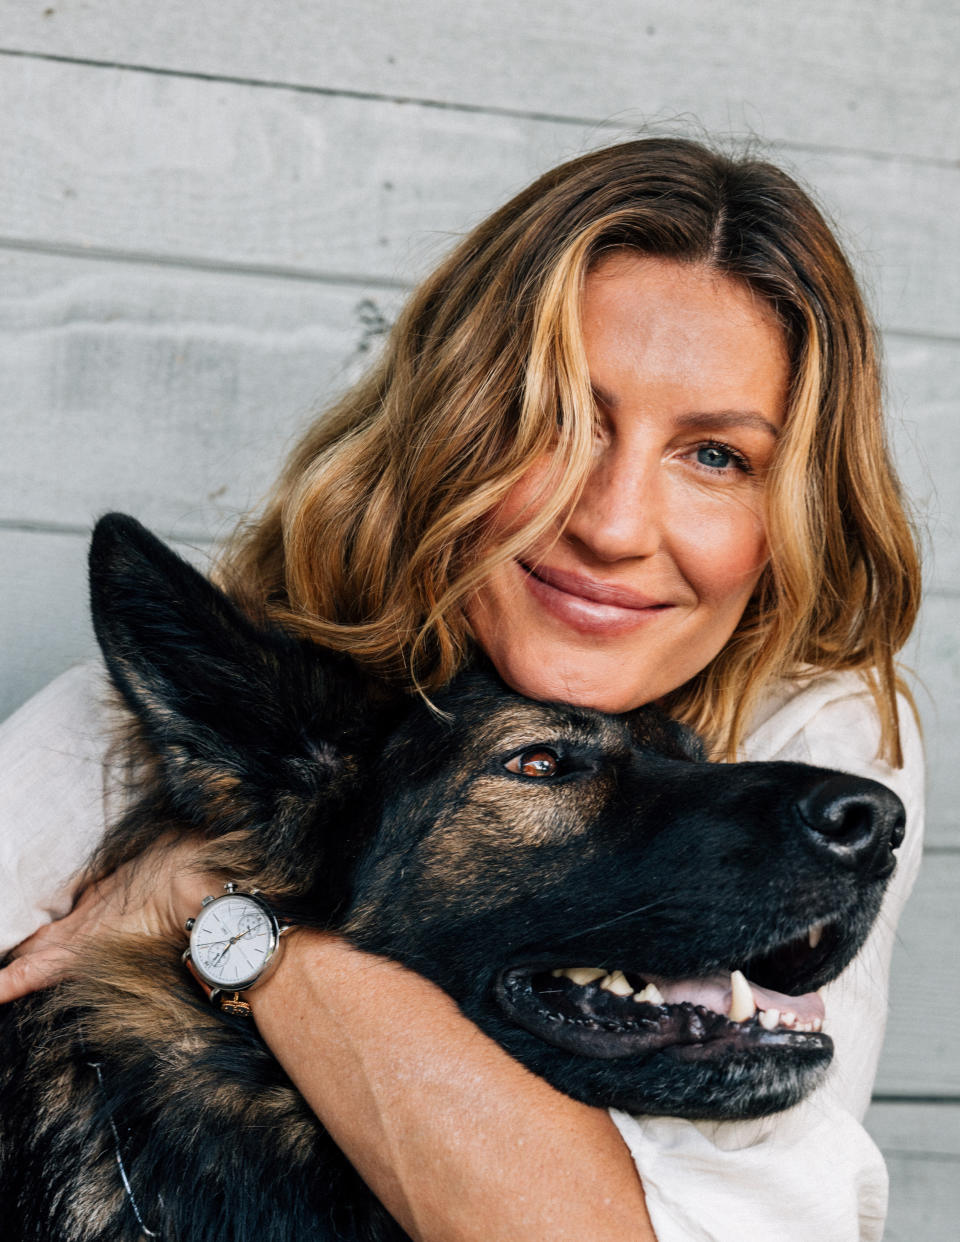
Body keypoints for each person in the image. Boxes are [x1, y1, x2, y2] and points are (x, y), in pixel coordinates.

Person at [0, 138, 923, 1242]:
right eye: (559, 420)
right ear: (453, 431)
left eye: (717, 455)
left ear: (798, 513)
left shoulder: (820, 724)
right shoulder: (114, 739)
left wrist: (228, 906)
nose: (613, 524)